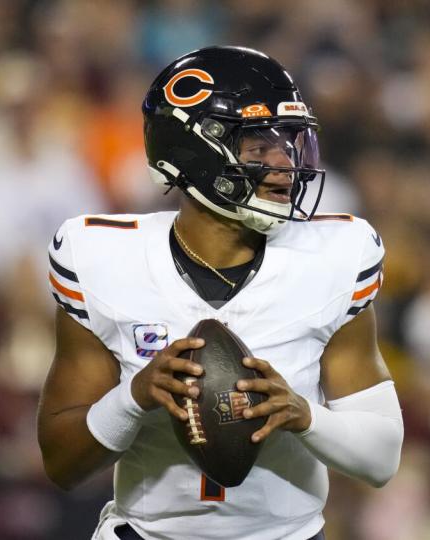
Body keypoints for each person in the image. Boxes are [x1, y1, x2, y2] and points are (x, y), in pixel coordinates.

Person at [37, 46, 404, 540]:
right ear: (194, 151)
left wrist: (304, 415)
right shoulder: (101, 258)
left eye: (289, 143)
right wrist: (134, 397)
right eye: (258, 147)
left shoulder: (336, 257)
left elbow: (381, 457)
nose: (283, 164)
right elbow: (62, 464)